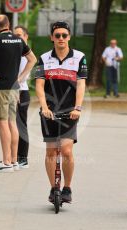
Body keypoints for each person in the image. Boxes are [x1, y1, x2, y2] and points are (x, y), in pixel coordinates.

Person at [0, 14, 37, 172]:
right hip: (15, 88)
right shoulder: (19, 41)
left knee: (2, 124)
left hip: (0, 88)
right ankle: (14, 161)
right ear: (9, 24)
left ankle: (6, 162)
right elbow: (33, 59)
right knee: (12, 123)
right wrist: (21, 77)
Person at [35, 21, 87, 203]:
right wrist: (44, 107)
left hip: (70, 111)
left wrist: (78, 107)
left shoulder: (79, 57)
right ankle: (53, 188)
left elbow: (81, 84)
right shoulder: (43, 58)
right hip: (48, 112)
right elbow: (39, 85)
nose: (61, 38)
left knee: (65, 150)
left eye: (64, 35)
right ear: (52, 38)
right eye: (57, 35)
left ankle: (67, 188)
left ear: (69, 37)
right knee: (50, 153)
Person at [14, 25, 30, 169]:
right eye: (15, 35)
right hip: (14, 92)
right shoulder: (17, 51)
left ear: (26, 37)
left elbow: (25, 75)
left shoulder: (26, 54)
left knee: (21, 125)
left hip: (21, 93)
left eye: (19, 35)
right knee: (13, 125)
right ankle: (13, 157)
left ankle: (23, 158)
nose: (16, 37)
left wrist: (17, 84)